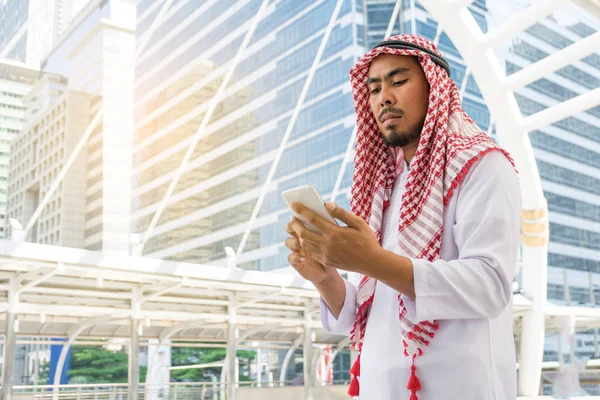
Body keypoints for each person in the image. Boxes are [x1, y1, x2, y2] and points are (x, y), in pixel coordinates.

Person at [284, 34, 521, 400]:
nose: (384, 98)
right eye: (374, 89)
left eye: (398, 81)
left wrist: (373, 260)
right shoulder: (384, 187)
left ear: (434, 87)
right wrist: (326, 277)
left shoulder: (483, 165)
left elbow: (490, 285)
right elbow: (370, 312)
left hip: (458, 388)